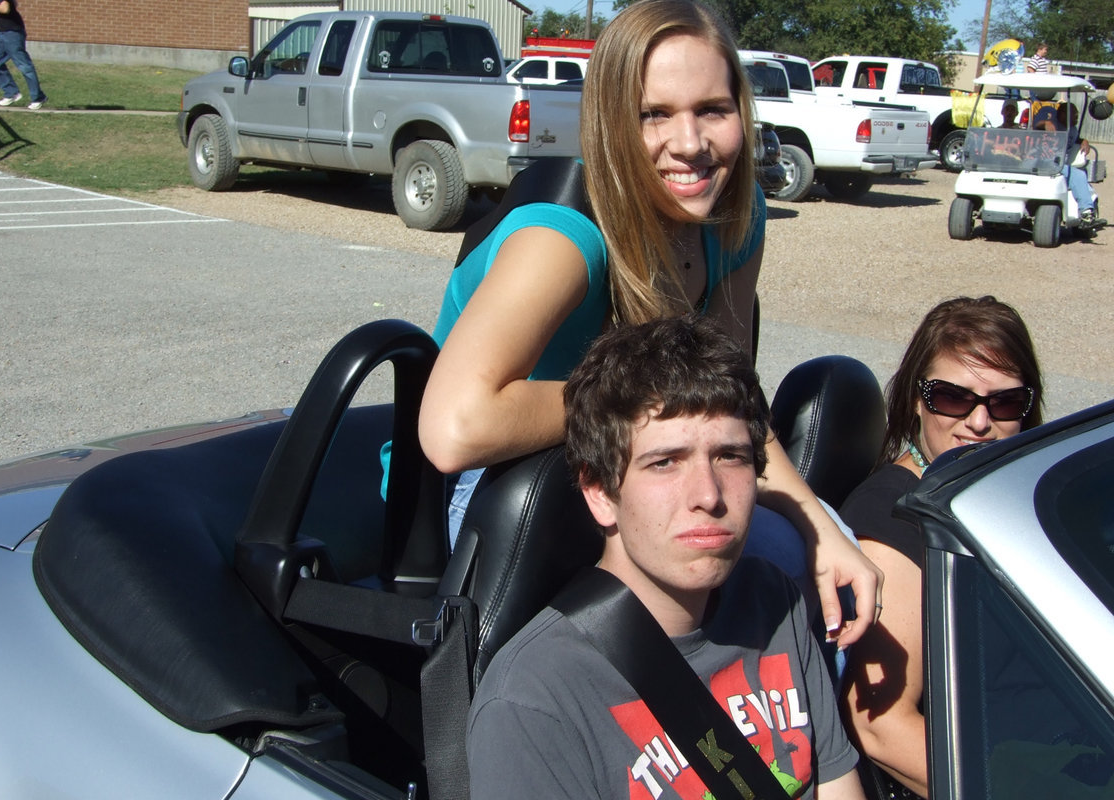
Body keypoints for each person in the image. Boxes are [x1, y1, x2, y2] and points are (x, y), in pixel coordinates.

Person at [417, 0, 881, 649]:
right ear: (610, 125)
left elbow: (725, 402)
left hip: (635, 461)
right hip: (503, 492)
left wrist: (819, 525)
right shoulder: (566, 238)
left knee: (817, 562)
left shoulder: (735, 221)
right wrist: (645, 405)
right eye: (654, 115)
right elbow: (455, 429)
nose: (690, 144)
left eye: (712, 110)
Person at [467, 314, 866, 800]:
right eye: (664, 462)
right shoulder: (535, 700)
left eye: (730, 456)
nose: (708, 494)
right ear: (599, 491)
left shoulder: (776, 604)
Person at [838, 296, 1044, 799]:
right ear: (915, 399)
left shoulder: (1003, 494)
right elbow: (880, 724)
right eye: (952, 398)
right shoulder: (894, 523)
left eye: (1005, 402)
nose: (978, 422)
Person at [0, 0, 47, 110]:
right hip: (2, 33)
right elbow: (14, 4)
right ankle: (11, 93)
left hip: (13, 33)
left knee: (24, 66)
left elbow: (5, 9)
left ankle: (38, 97)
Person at [1057, 102, 1103, 226]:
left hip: (1060, 166)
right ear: (1062, 114)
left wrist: (1084, 140)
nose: (1076, 117)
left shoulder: (1072, 129)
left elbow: (1075, 139)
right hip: (1047, 163)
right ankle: (1085, 211)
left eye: (1077, 114)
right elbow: (1039, 126)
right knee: (1078, 175)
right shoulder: (1053, 125)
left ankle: (1088, 214)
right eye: (1074, 114)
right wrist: (1045, 124)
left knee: (1085, 184)